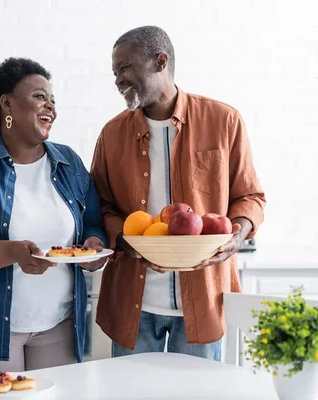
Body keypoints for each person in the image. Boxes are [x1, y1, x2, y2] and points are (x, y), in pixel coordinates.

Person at [89, 26, 266, 361]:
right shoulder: (111, 134)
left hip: (204, 301)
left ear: (160, 61)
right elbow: (100, 207)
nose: (117, 80)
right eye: (114, 72)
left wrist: (237, 234)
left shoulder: (224, 121)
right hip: (133, 306)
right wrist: (127, 241)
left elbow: (250, 196)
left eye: (125, 68)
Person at [0, 57, 108, 377]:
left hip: (60, 322)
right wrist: (12, 252)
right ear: (7, 104)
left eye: (53, 100)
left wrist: (94, 247)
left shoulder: (69, 162)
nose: (51, 107)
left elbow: (94, 224)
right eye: (40, 96)